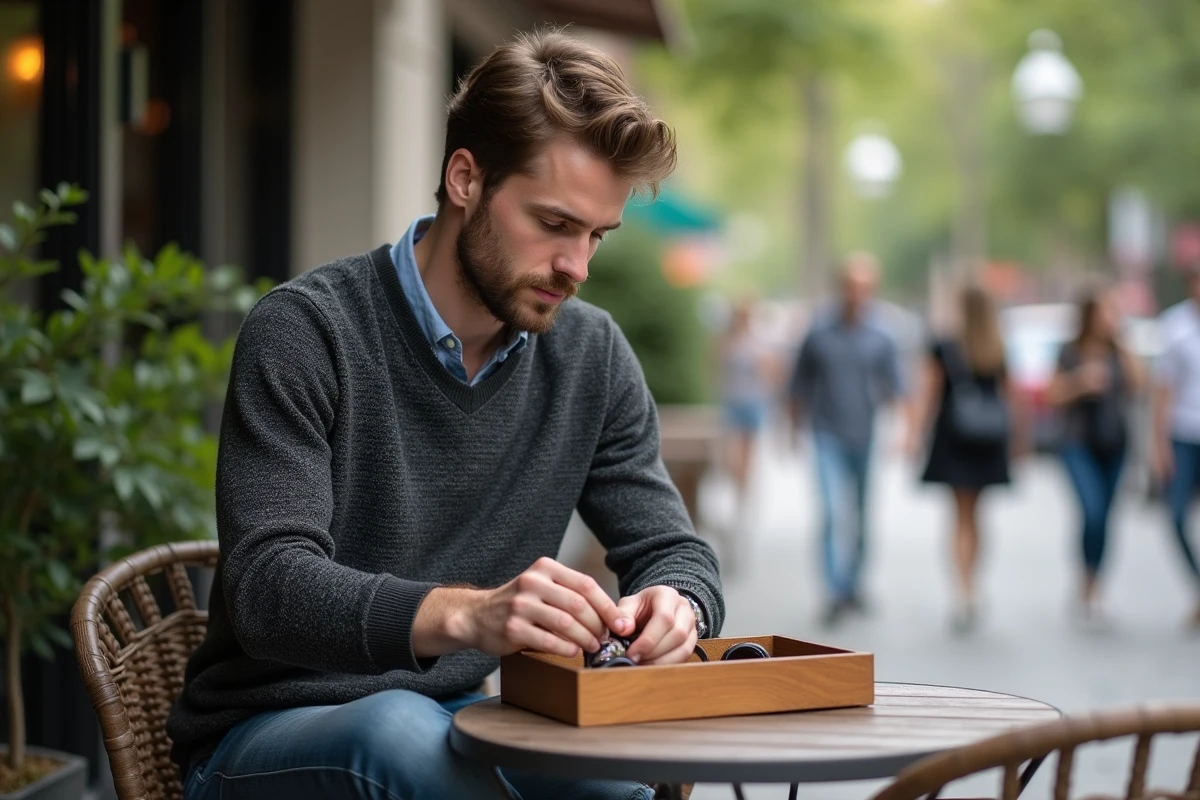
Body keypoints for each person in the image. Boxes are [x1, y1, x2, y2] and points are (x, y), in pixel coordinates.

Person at [166, 30, 723, 800]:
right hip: (266, 733)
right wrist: (469, 617)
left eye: (597, 235)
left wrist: (679, 604)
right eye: (555, 224)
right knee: (394, 732)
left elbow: (672, 547)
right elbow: (268, 590)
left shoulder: (590, 355)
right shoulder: (306, 330)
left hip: (459, 720)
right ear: (466, 178)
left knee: (616, 785)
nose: (578, 268)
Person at [788, 253, 905, 627]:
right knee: (831, 512)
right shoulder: (819, 332)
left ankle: (855, 584)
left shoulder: (884, 335)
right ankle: (834, 591)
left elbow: (897, 386)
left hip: (866, 434)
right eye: (852, 287)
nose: (858, 294)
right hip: (826, 434)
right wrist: (792, 427)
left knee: (862, 514)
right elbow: (799, 384)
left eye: (865, 288)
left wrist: (905, 431)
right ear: (841, 288)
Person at [906, 284, 1021, 634]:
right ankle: (974, 586)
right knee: (977, 516)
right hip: (987, 441)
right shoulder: (996, 345)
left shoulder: (944, 345)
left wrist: (913, 435)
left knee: (959, 517)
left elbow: (927, 394)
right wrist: (1018, 440)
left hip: (954, 439)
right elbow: (1011, 397)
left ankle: (962, 590)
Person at [1046, 283, 1144, 624]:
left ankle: (1095, 583)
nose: (1109, 318)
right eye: (1104, 311)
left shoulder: (1119, 350)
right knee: (1092, 510)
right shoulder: (1069, 351)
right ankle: (1086, 579)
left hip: (1115, 442)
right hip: (1078, 442)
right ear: (1089, 314)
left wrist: (1125, 342)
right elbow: (1052, 394)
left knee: (1107, 516)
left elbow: (1138, 385)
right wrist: (1080, 382)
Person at [1151, 262, 1200, 628]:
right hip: (1184, 434)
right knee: (1177, 517)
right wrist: (1160, 443)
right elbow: (1163, 390)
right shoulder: (1175, 326)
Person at [717, 297, 778, 536]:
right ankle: (738, 487)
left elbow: (773, 371)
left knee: (747, 456)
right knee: (731, 458)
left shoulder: (760, 340)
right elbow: (716, 366)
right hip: (732, 404)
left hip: (753, 403)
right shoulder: (727, 339)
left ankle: (742, 500)